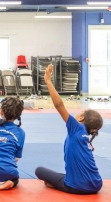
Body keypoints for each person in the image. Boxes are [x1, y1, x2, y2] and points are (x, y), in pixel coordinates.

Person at [35, 65, 103, 194]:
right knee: (61, 175)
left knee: (39, 170)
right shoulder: (86, 135)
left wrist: (48, 81)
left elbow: (59, 105)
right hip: (96, 184)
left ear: (81, 117)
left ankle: (59, 184)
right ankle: (60, 181)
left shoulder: (76, 127)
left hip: (77, 187)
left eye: (80, 112)